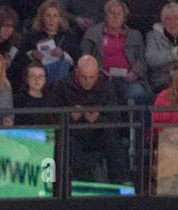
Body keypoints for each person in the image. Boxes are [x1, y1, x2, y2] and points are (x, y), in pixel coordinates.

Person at [56, 53, 131, 181]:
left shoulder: (107, 86)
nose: (88, 81)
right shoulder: (63, 86)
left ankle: (119, 185)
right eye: (83, 77)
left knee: (114, 141)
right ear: (77, 72)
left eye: (92, 77)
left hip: (99, 134)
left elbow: (116, 119)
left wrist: (98, 119)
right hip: (74, 134)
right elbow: (52, 117)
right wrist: (69, 117)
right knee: (65, 144)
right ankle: (73, 189)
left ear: (98, 74)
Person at [81, 0, 150, 107]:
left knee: (138, 93)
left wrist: (135, 73)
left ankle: (140, 124)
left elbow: (142, 60)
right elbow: (84, 59)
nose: (115, 17)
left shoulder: (135, 35)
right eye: (112, 13)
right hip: (101, 79)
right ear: (105, 16)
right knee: (103, 93)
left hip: (129, 80)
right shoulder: (92, 33)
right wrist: (99, 72)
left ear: (124, 17)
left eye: (119, 14)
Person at [14, 0, 78, 86]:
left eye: (55, 16)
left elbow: (77, 59)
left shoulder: (68, 37)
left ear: (60, 18)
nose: (51, 19)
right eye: (48, 15)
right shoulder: (31, 36)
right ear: (42, 17)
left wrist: (63, 55)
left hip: (61, 84)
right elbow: (19, 59)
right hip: (36, 82)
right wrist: (32, 54)